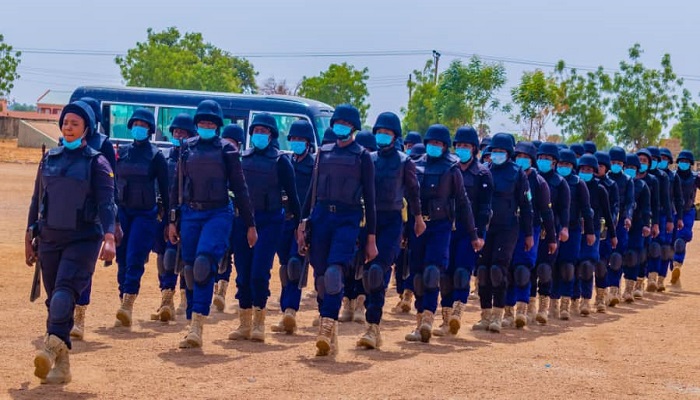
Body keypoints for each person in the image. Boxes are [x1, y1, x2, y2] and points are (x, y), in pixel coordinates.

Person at [26, 101, 117, 384]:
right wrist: (29, 235)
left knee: (65, 293)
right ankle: (63, 367)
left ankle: (51, 348)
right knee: (54, 301)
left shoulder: (97, 162)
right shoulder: (50, 159)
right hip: (50, 238)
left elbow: (107, 204)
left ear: (86, 129)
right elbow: (36, 200)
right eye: (65, 123)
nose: (68, 127)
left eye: (75, 123)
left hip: (83, 240)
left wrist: (110, 237)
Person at [168, 100, 257, 349]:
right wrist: (172, 220)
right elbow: (176, 187)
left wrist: (250, 224)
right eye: (203, 122)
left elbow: (240, 188)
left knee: (203, 264)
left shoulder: (227, 150)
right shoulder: (187, 148)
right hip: (190, 213)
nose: (206, 126)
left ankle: (197, 323)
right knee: (188, 268)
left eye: (211, 122)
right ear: (197, 124)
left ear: (217, 125)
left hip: (218, 213)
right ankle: (190, 320)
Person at [297, 104, 377, 356]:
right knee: (321, 279)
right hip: (321, 217)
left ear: (353, 127)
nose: (340, 127)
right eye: (337, 122)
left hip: (347, 219)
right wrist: (302, 224)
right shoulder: (324, 152)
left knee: (333, 274)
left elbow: (371, 200)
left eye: (345, 123)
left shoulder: (362, 156)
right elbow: (312, 191)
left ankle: (326, 326)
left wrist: (371, 238)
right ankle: (330, 334)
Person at [403, 124, 479, 342]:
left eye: (439, 143)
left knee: (431, 273)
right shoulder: (415, 165)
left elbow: (463, 203)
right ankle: (419, 322)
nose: (434, 146)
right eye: (431, 143)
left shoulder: (451, 169)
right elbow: (406, 198)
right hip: (418, 226)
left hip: (440, 227)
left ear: (445, 146)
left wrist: (473, 234)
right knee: (416, 276)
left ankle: (428, 318)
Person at [228, 113, 300, 343]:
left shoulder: (280, 161)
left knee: (259, 272)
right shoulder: (242, 159)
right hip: (243, 221)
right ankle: (244, 323)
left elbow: (294, 197)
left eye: (264, 131)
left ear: (272, 135)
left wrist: (299, 225)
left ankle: (260, 321)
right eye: (256, 131)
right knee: (243, 272)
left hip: (270, 222)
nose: (260, 135)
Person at [354, 112, 423, 349]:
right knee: (366, 275)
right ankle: (367, 318)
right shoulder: (367, 159)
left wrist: (418, 219)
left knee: (377, 272)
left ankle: (373, 328)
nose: (383, 135)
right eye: (380, 132)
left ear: (395, 136)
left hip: (393, 222)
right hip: (368, 220)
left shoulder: (405, 162)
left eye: (388, 132)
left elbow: (413, 193)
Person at [433, 126, 492, 335]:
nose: (462, 149)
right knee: (445, 274)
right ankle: (445, 318)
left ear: (475, 149)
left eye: (466, 146)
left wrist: (481, 235)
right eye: (459, 145)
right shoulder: (448, 169)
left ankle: (458, 309)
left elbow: (485, 209)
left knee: (461, 272)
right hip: (447, 228)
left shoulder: (483, 173)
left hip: (469, 231)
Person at [113, 108, 169, 328]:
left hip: (146, 214)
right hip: (123, 212)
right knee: (121, 257)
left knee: (135, 256)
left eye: (144, 125)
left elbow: (165, 190)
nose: (139, 128)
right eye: (136, 124)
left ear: (150, 129)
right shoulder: (123, 152)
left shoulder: (156, 156)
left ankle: (128, 303)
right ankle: (122, 298)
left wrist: (168, 219)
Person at [70, 97, 119, 341]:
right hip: (67, 215)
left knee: (83, 267)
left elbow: (112, 183)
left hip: (94, 216)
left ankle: (79, 316)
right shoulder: (66, 142)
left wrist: (113, 222)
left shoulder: (104, 145)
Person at [472, 133, 531, 333]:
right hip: (486, 228)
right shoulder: (483, 171)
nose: (497, 154)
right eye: (494, 151)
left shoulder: (518, 173)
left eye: (501, 151)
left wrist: (529, 234)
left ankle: (499, 314)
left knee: (498, 269)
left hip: (508, 228)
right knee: (483, 271)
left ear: (509, 153)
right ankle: (485, 315)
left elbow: (526, 205)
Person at [271, 120, 316, 334]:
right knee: (284, 266)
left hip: (303, 223)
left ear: (309, 143)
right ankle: (285, 310)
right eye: (294, 139)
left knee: (295, 265)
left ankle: (290, 310)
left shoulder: (315, 166)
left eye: (301, 139)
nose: (297, 142)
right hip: (282, 221)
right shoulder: (285, 162)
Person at [504, 141, 555, 328]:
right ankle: (507, 312)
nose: (521, 160)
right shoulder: (508, 175)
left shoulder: (539, 183)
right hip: (507, 229)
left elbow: (546, 212)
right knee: (507, 270)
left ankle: (522, 310)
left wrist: (551, 237)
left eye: (526, 157)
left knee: (522, 270)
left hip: (529, 231)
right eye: (519, 156)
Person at [151, 113, 196, 322]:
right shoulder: (165, 157)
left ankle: (185, 299)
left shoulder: (194, 158)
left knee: (186, 258)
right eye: (176, 131)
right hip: (164, 216)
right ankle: (166, 299)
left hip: (187, 215)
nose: (178, 135)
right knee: (165, 258)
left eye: (183, 132)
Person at [551, 149, 594, 320]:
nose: (563, 167)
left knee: (568, 267)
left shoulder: (578, 183)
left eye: (567, 164)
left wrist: (590, 231)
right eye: (561, 164)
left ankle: (566, 304)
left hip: (574, 230)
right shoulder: (552, 181)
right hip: (553, 229)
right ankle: (552, 302)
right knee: (552, 266)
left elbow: (587, 210)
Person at [572, 154, 615, 316]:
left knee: (587, 265)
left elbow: (608, 213)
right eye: (582, 169)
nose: (585, 172)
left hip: (594, 231)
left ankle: (586, 299)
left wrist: (613, 234)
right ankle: (574, 299)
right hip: (576, 230)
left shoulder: (600, 189)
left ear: (595, 171)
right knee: (573, 264)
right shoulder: (573, 185)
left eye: (589, 170)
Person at [532, 143, 570, 324]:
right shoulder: (530, 178)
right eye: (540, 158)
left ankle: (543, 308)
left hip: (550, 230)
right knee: (528, 268)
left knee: (545, 269)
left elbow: (564, 209)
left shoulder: (560, 183)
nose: (542, 161)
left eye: (547, 159)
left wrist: (564, 228)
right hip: (531, 228)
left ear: (554, 161)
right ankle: (528, 308)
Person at [213, 123, 246, 312]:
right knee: (219, 253)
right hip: (220, 215)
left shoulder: (241, 164)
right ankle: (217, 289)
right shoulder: (215, 163)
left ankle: (222, 290)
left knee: (231, 254)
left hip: (237, 217)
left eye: (233, 143)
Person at [606, 146, 635, 306]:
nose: (615, 164)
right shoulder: (604, 178)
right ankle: (601, 292)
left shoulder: (628, 180)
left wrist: (628, 217)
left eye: (618, 162)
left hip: (621, 223)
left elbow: (630, 202)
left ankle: (614, 288)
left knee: (617, 257)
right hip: (605, 223)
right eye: (613, 162)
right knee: (603, 259)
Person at [621, 154, 651, 302]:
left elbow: (646, 207)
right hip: (619, 224)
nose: (629, 170)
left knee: (633, 256)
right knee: (616, 257)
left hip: (637, 225)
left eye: (633, 168)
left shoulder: (642, 186)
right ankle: (612, 290)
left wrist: (647, 224)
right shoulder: (617, 183)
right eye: (627, 167)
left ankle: (629, 289)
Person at [593, 151, 620, 313]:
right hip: (587, 228)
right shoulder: (584, 184)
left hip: (605, 229)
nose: (597, 169)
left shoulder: (611, 185)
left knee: (602, 264)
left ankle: (601, 296)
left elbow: (614, 207)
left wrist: (612, 226)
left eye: (600, 166)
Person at [645, 146, 675, 292]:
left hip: (661, 215)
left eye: (658, 159)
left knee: (660, 247)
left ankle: (656, 277)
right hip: (644, 216)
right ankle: (642, 277)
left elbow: (666, 199)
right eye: (654, 159)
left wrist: (670, 219)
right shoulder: (640, 175)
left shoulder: (663, 177)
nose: (656, 161)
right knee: (645, 248)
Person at [671, 150, 700, 289]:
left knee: (681, 240)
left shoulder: (695, 178)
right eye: (681, 161)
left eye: (686, 162)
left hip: (688, 211)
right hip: (673, 212)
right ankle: (673, 275)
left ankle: (677, 264)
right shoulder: (671, 176)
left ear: (691, 164)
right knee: (670, 242)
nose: (684, 164)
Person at [658, 147, 684, 291]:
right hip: (653, 214)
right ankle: (648, 278)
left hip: (669, 214)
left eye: (665, 158)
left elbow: (679, 199)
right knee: (652, 248)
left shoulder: (674, 177)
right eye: (659, 158)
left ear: (669, 161)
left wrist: (679, 217)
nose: (662, 160)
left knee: (667, 247)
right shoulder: (652, 176)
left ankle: (661, 278)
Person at [635, 149, 659, 299]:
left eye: (645, 160)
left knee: (643, 251)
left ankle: (639, 283)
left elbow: (655, 204)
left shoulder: (653, 181)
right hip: (629, 221)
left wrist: (655, 224)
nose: (642, 162)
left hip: (645, 220)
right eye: (640, 160)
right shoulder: (628, 179)